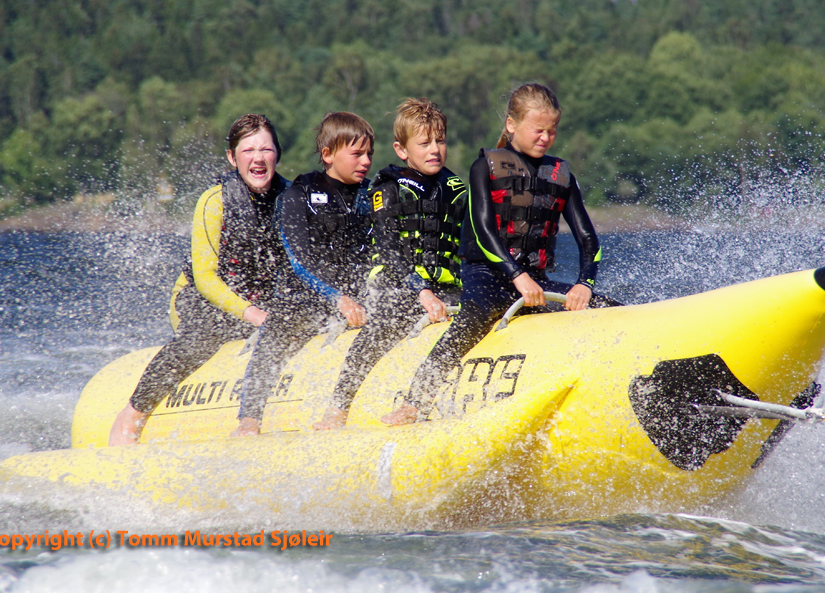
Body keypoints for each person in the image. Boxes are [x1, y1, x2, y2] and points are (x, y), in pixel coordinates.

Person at [381, 83, 618, 425]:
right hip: (487, 275)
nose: (545, 138)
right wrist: (517, 276)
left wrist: (585, 283)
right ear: (511, 125)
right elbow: (483, 231)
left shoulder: (562, 175)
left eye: (552, 130)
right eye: (538, 130)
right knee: (473, 318)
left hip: (535, 281)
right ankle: (415, 401)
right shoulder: (485, 167)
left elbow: (588, 239)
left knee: (608, 307)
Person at [109, 114, 290, 446]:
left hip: (262, 301)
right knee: (205, 335)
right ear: (232, 158)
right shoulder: (214, 201)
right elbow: (205, 278)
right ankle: (132, 413)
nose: (258, 158)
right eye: (248, 150)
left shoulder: (291, 198)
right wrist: (252, 314)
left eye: (266, 149)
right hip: (203, 301)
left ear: (278, 154)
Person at [313, 98, 467, 430]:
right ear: (401, 149)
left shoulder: (455, 189)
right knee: (381, 328)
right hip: (398, 289)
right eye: (424, 143)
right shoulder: (387, 189)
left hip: (446, 290)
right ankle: (338, 406)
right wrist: (421, 291)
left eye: (440, 141)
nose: (435, 149)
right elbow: (389, 249)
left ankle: (419, 399)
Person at [232, 111, 375, 436]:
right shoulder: (299, 196)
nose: (366, 161)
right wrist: (338, 298)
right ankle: (249, 418)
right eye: (357, 154)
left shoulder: (373, 195)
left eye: (369, 153)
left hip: (356, 299)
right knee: (280, 324)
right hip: (305, 299)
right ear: (328, 154)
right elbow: (300, 261)